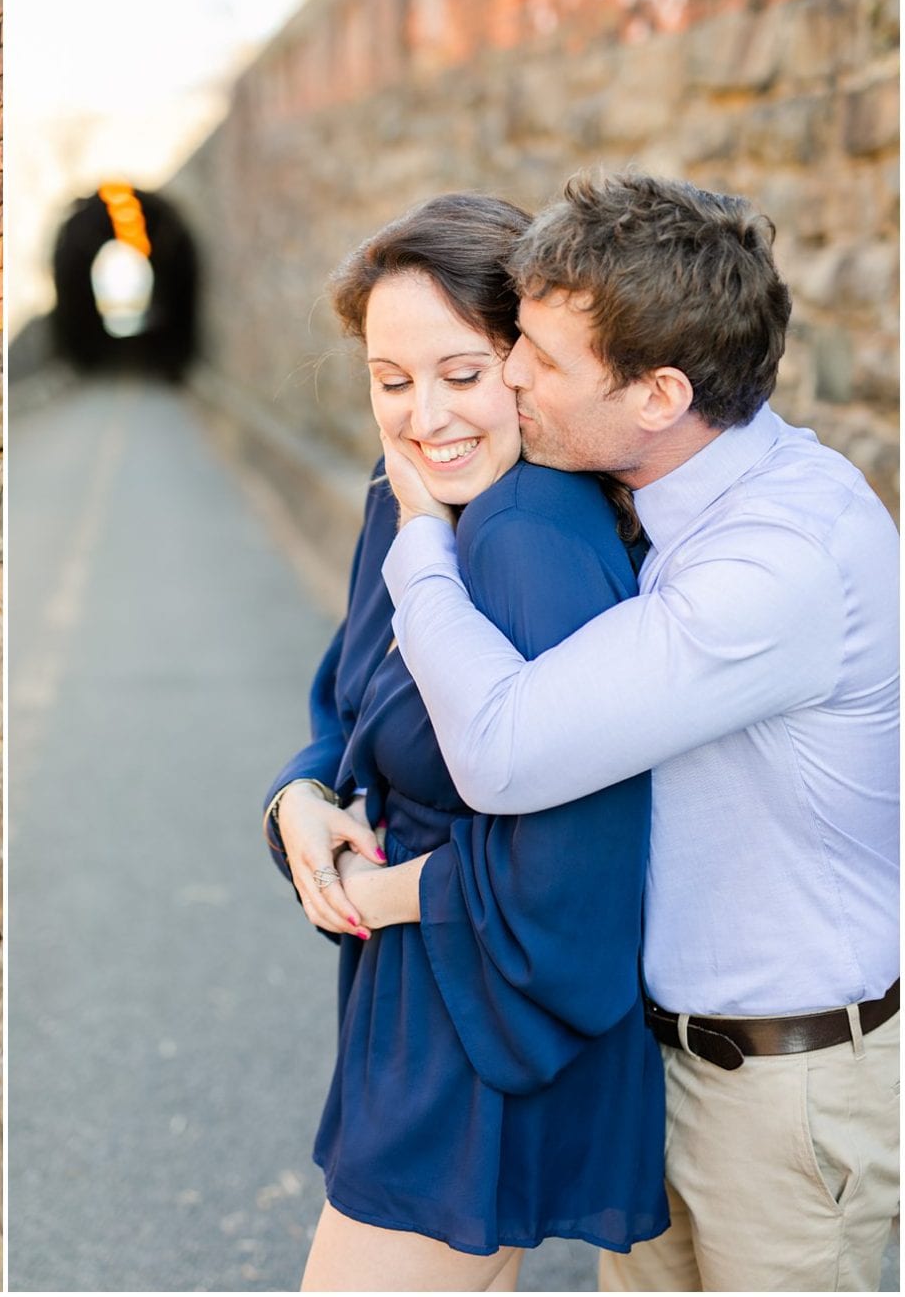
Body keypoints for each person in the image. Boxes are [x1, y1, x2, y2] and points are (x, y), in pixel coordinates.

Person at [375, 171, 899, 1292]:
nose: (509, 370)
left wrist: (421, 543)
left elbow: (505, 748)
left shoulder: (780, 558)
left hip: (788, 1096)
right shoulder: (660, 492)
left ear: (659, 395)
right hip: (667, 1064)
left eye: (543, 361)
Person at [264, 192, 668, 1289]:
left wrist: (383, 890)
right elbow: (345, 707)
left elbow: (585, 859)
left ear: (527, 365)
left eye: (462, 372)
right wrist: (298, 801)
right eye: (391, 382)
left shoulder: (533, 538)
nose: (424, 416)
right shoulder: (406, 505)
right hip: (417, 995)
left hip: (490, 1013)